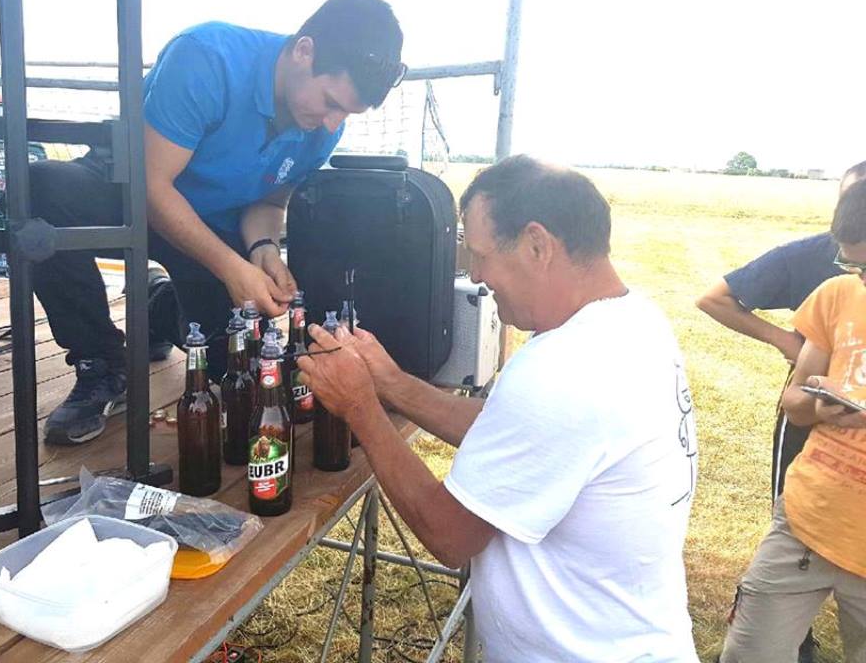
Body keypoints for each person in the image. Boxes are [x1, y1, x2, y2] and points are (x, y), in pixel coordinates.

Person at [298, 156, 700, 662]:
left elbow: (449, 534)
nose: (476, 275)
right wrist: (392, 383)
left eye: (480, 254)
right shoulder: (631, 320)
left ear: (537, 245)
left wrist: (361, 408)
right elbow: (514, 429)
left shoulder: (563, 368)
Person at [30, 0, 404, 444]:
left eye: (346, 113)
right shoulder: (206, 58)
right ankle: (102, 363)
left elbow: (270, 202)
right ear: (304, 51)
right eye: (331, 102)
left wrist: (263, 250)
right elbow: (152, 188)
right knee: (42, 189)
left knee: (237, 367)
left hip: (211, 223)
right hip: (129, 193)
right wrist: (230, 267)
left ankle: (159, 310)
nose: (332, 124)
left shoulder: (323, 129)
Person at [697, 162, 866, 663]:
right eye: (855, 266)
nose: (860, 279)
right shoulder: (838, 294)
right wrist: (821, 404)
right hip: (805, 521)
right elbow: (794, 403)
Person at [697, 162, 866, 499]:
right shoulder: (806, 256)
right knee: (789, 498)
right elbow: (714, 299)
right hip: (813, 406)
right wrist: (787, 341)